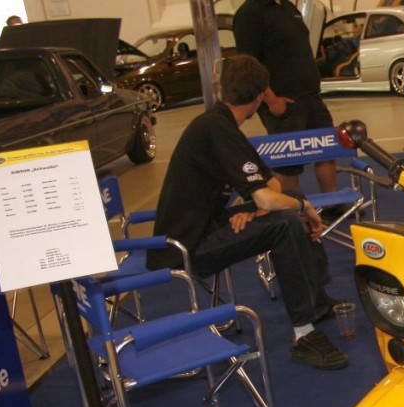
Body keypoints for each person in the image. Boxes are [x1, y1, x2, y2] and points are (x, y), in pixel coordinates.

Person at [147, 55, 348, 370]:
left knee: (291, 198)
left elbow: (271, 185)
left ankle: (316, 303)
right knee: (287, 220)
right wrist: (301, 207)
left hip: (209, 226)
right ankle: (304, 333)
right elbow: (269, 196)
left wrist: (254, 209)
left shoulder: (220, 123)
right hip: (186, 248)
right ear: (259, 97)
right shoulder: (216, 128)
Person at [233, 0, 337, 197]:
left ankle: (334, 203)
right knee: (289, 163)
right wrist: (272, 101)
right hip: (283, 103)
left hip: (311, 97)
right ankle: (292, 210)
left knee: (328, 151)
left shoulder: (288, 8)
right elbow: (248, 65)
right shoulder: (250, 12)